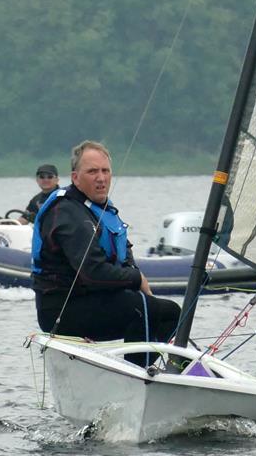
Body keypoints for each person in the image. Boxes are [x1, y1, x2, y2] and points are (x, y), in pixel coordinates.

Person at [31, 140, 181, 367]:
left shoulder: (100, 210)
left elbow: (124, 257)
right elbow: (92, 272)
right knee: (143, 308)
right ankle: (136, 376)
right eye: (92, 171)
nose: (101, 178)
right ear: (75, 177)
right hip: (62, 310)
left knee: (170, 311)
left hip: (96, 299)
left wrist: (133, 275)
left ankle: (158, 373)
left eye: (105, 171)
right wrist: (136, 279)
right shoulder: (67, 213)